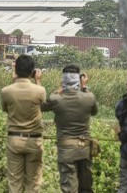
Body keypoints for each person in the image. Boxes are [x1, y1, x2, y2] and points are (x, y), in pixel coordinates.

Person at [41, 64, 98, 193]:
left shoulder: (56, 99)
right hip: (84, 149)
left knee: (69, 188)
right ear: (79, 80)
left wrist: (60, 88)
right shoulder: (89, 97)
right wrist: (84, 87)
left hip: (66, 150)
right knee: (85, 187)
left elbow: (42, 107)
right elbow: (94, 112)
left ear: (63, 80)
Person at [1, 54, 47, 193]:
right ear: (32, 71)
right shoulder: (40, 90)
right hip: (34, 140)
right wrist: (38, 81)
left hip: (14, 139)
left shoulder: (6, 91)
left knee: (14, 182)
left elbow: (5, 109)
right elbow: (43, 106)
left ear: (16, 70)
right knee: (33, 183)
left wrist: (13, 79)